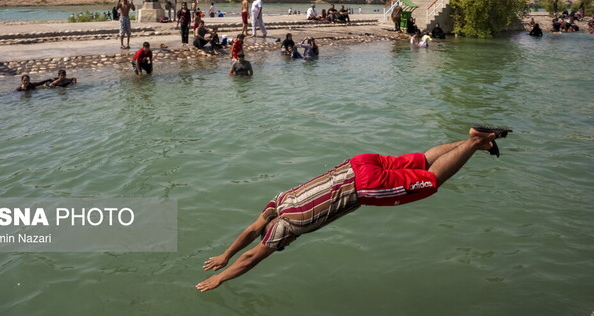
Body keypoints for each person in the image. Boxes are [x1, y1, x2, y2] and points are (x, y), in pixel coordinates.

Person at [195, 126, 512, 292]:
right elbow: (252, 229)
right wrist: (225, 253)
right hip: (358, 163)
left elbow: (252, 255)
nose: (285, 245)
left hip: (365, 186)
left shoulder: (283, 228)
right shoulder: (278, 203)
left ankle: (473, 142)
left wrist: (222, 277)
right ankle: (478, 143)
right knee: (423, 160)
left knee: (430, 180)